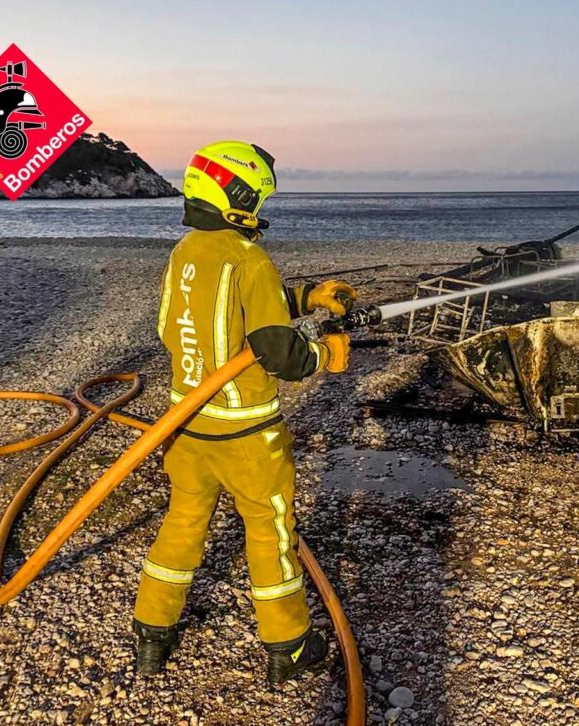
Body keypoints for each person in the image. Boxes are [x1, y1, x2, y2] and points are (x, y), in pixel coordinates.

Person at [132, 140, 356, 683]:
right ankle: (289, 645)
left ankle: (152, 634)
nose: (258, 205)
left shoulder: (188, 252)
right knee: (270, 530)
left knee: (183, 522)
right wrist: (324, 355)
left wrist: (305, 298)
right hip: (247, 433)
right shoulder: (250, 257)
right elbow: (278, 351)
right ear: (237, 195)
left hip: (186, 426)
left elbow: (182, 322)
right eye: (255, 195)